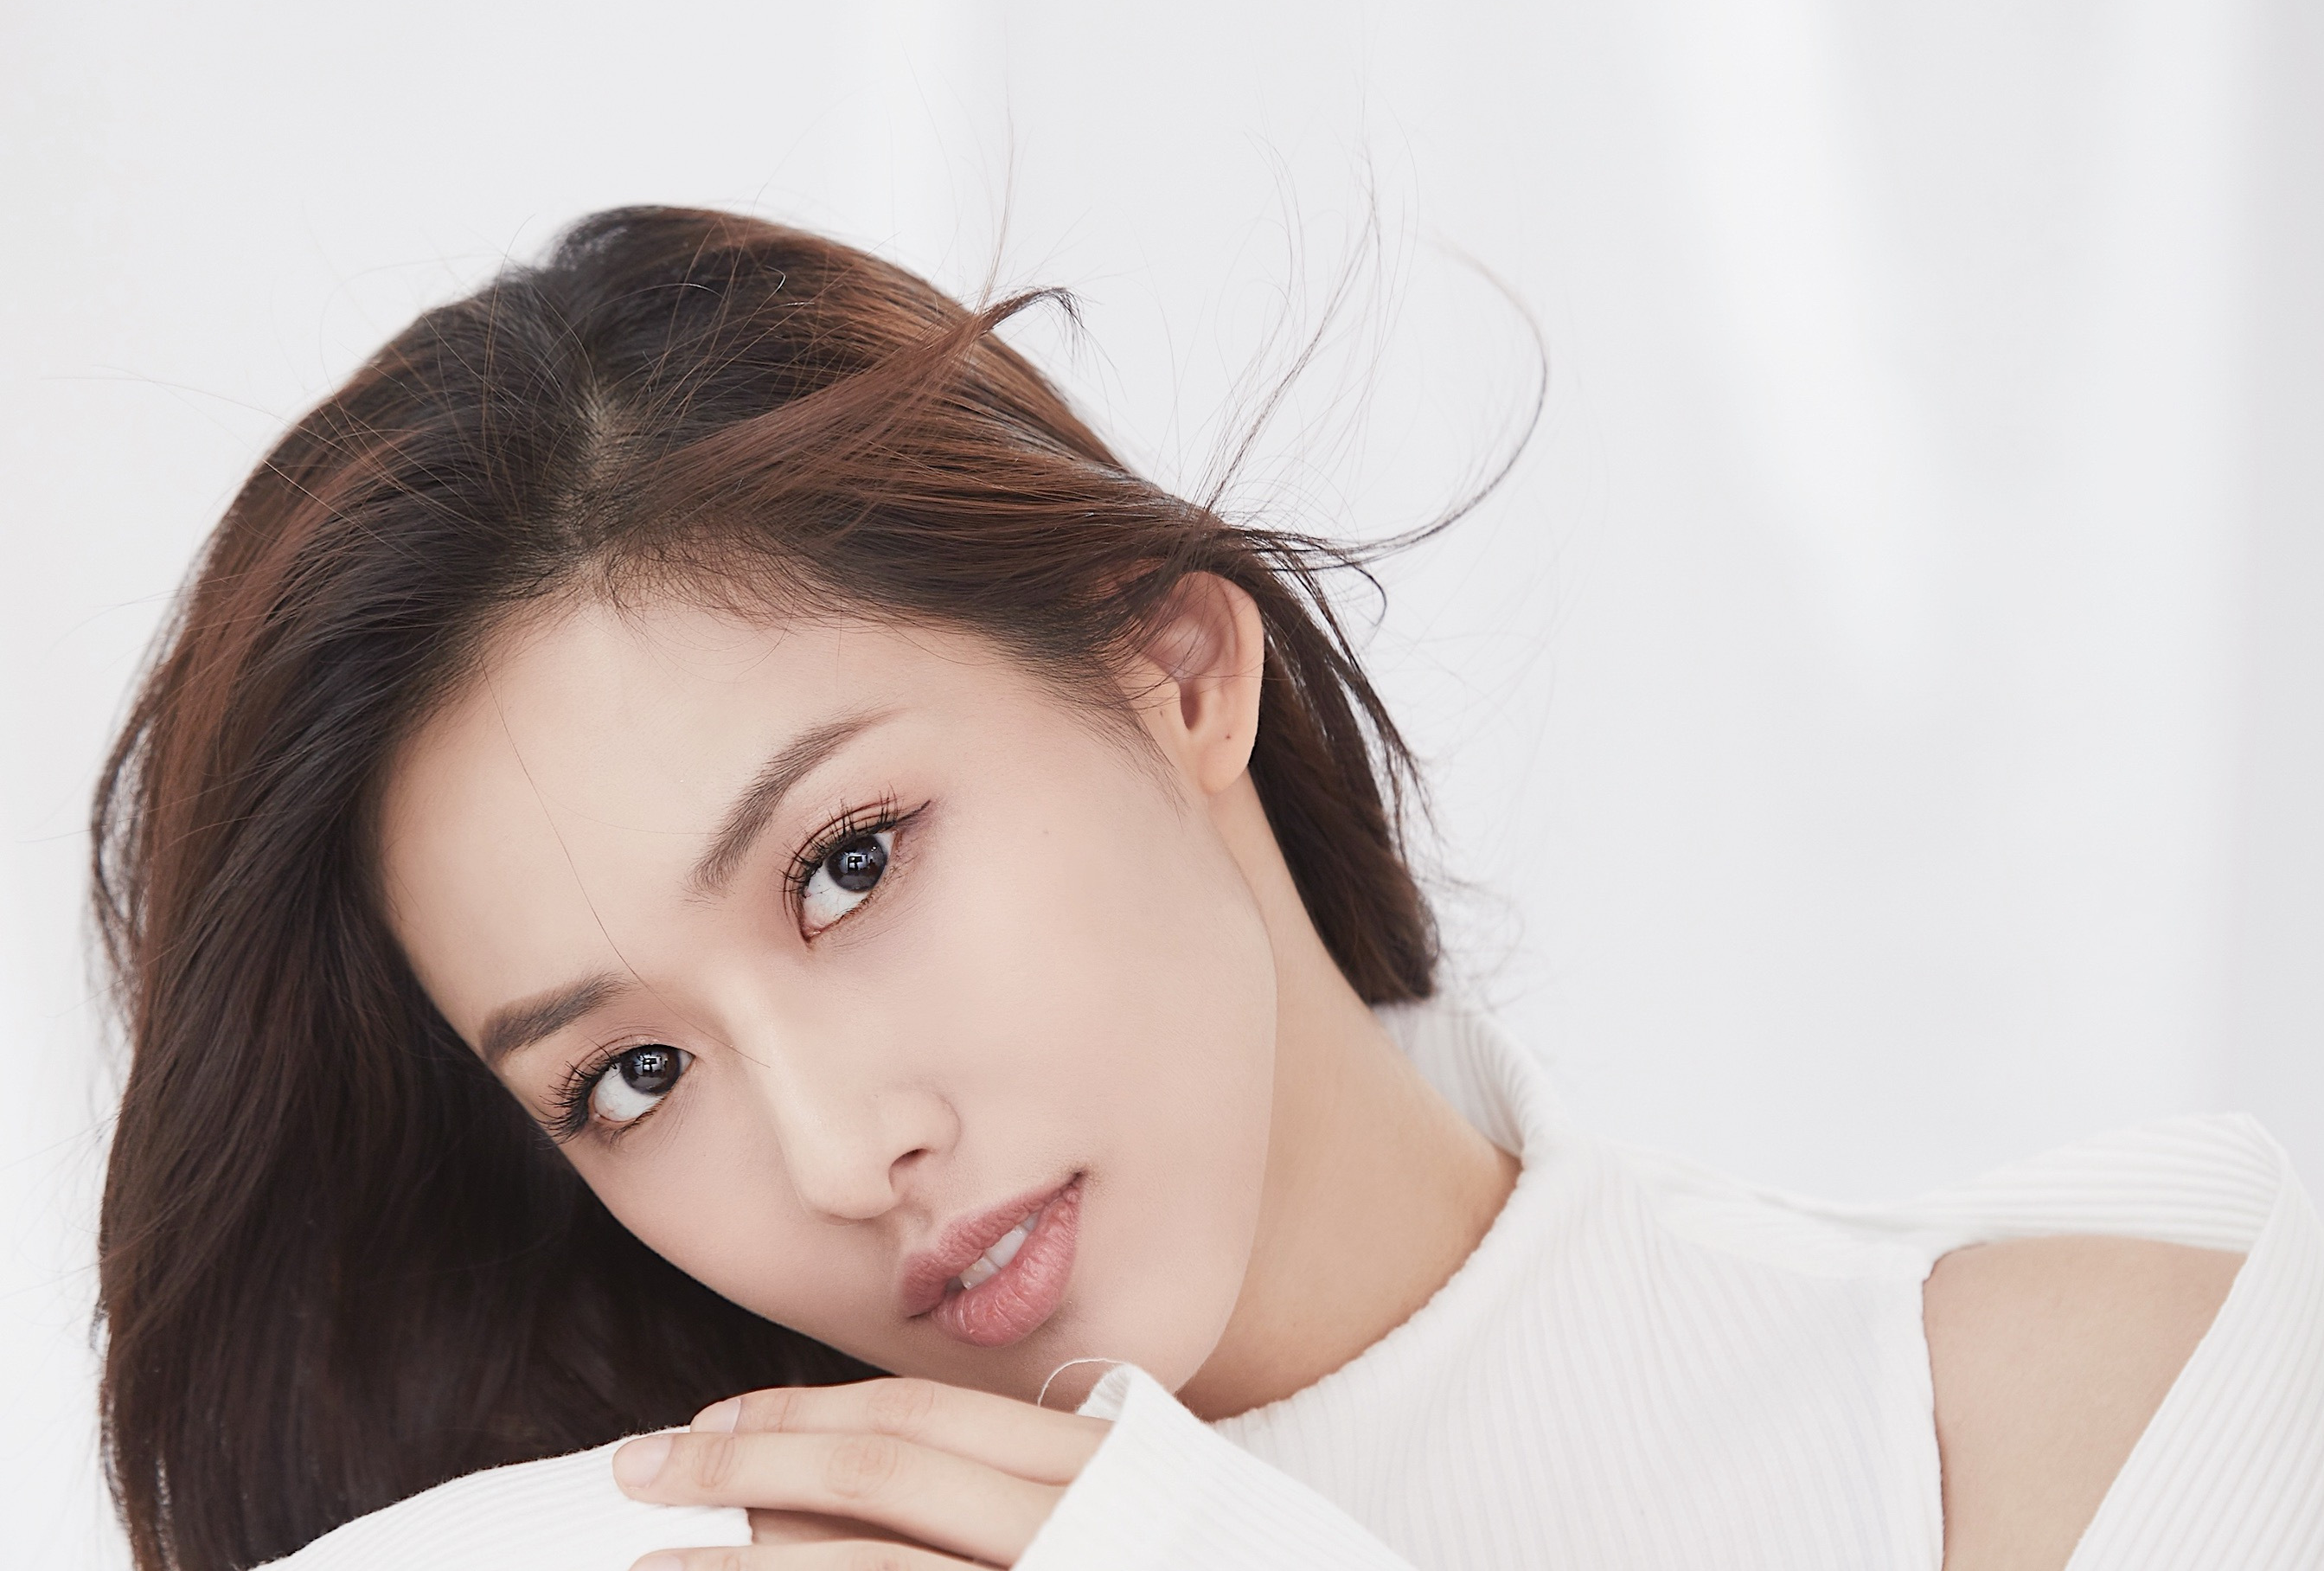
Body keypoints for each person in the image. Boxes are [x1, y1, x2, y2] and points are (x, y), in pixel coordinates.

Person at [92, 207, 2322, 1571]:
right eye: (631, 1077)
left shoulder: (2089, 1414)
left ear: (1171, 672)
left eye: (847, 866)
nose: (845, 1153)